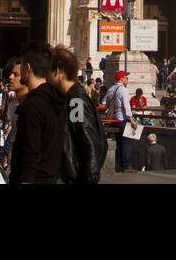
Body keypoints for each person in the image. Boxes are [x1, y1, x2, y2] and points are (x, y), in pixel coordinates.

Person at [49, 45, 106, 185]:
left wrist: (89, 177)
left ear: (57, 70)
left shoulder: (75, 100)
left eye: (47, 71)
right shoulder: (71, 97)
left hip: (75, 178)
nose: (46, 77)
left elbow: (86, 136)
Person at [9, 42, 65, 184]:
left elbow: (30, 153)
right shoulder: (56, 101)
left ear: (27, 68)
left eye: (20, 66)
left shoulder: (33, 106)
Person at [105, 70, 136, 174]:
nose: (127, 79)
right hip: (122, 118)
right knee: (126, 141)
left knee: (118, 142)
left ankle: (118, 166)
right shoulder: (123, 90)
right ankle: (126, 165)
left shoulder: (111, 89)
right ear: (122, 79)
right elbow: (126, 106)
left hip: (114, 119)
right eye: (126, 78)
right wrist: (131, 120)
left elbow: (107, 105)